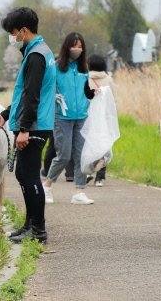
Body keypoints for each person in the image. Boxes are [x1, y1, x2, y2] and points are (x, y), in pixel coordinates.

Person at [0, 7, 56, 243]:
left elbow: (32, 95)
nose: (12, 37)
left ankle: (38, 231)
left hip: (35, 126)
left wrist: (25, 129)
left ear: (23, 31)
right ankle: (29, 225)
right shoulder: (37, 52)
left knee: (30, 176)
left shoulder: (36, 56)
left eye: (13, 32)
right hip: (33, 124)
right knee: (23, 174)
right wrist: (5, 115)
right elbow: (23, 95)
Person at [43, 32, 98, 205]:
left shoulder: (83, 69)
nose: (77, 49)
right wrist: (54, 97)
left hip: (81, 117)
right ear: (67, 47)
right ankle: (47, 186)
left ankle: (79, 192)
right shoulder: (55, 67)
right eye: (74, 45)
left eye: (80, 46)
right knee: (64, 155)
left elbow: (85, 91)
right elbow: (46, 89)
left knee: (81, 156)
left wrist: (94, 92)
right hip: (62, 117)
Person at [87, 53, 116, 187]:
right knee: (104, 146)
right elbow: (114, 100)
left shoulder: (86, 78)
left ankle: (89, 172)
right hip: (105, 118)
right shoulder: (109, 79)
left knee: (90, 145)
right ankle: (100, 178)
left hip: (89, 118)